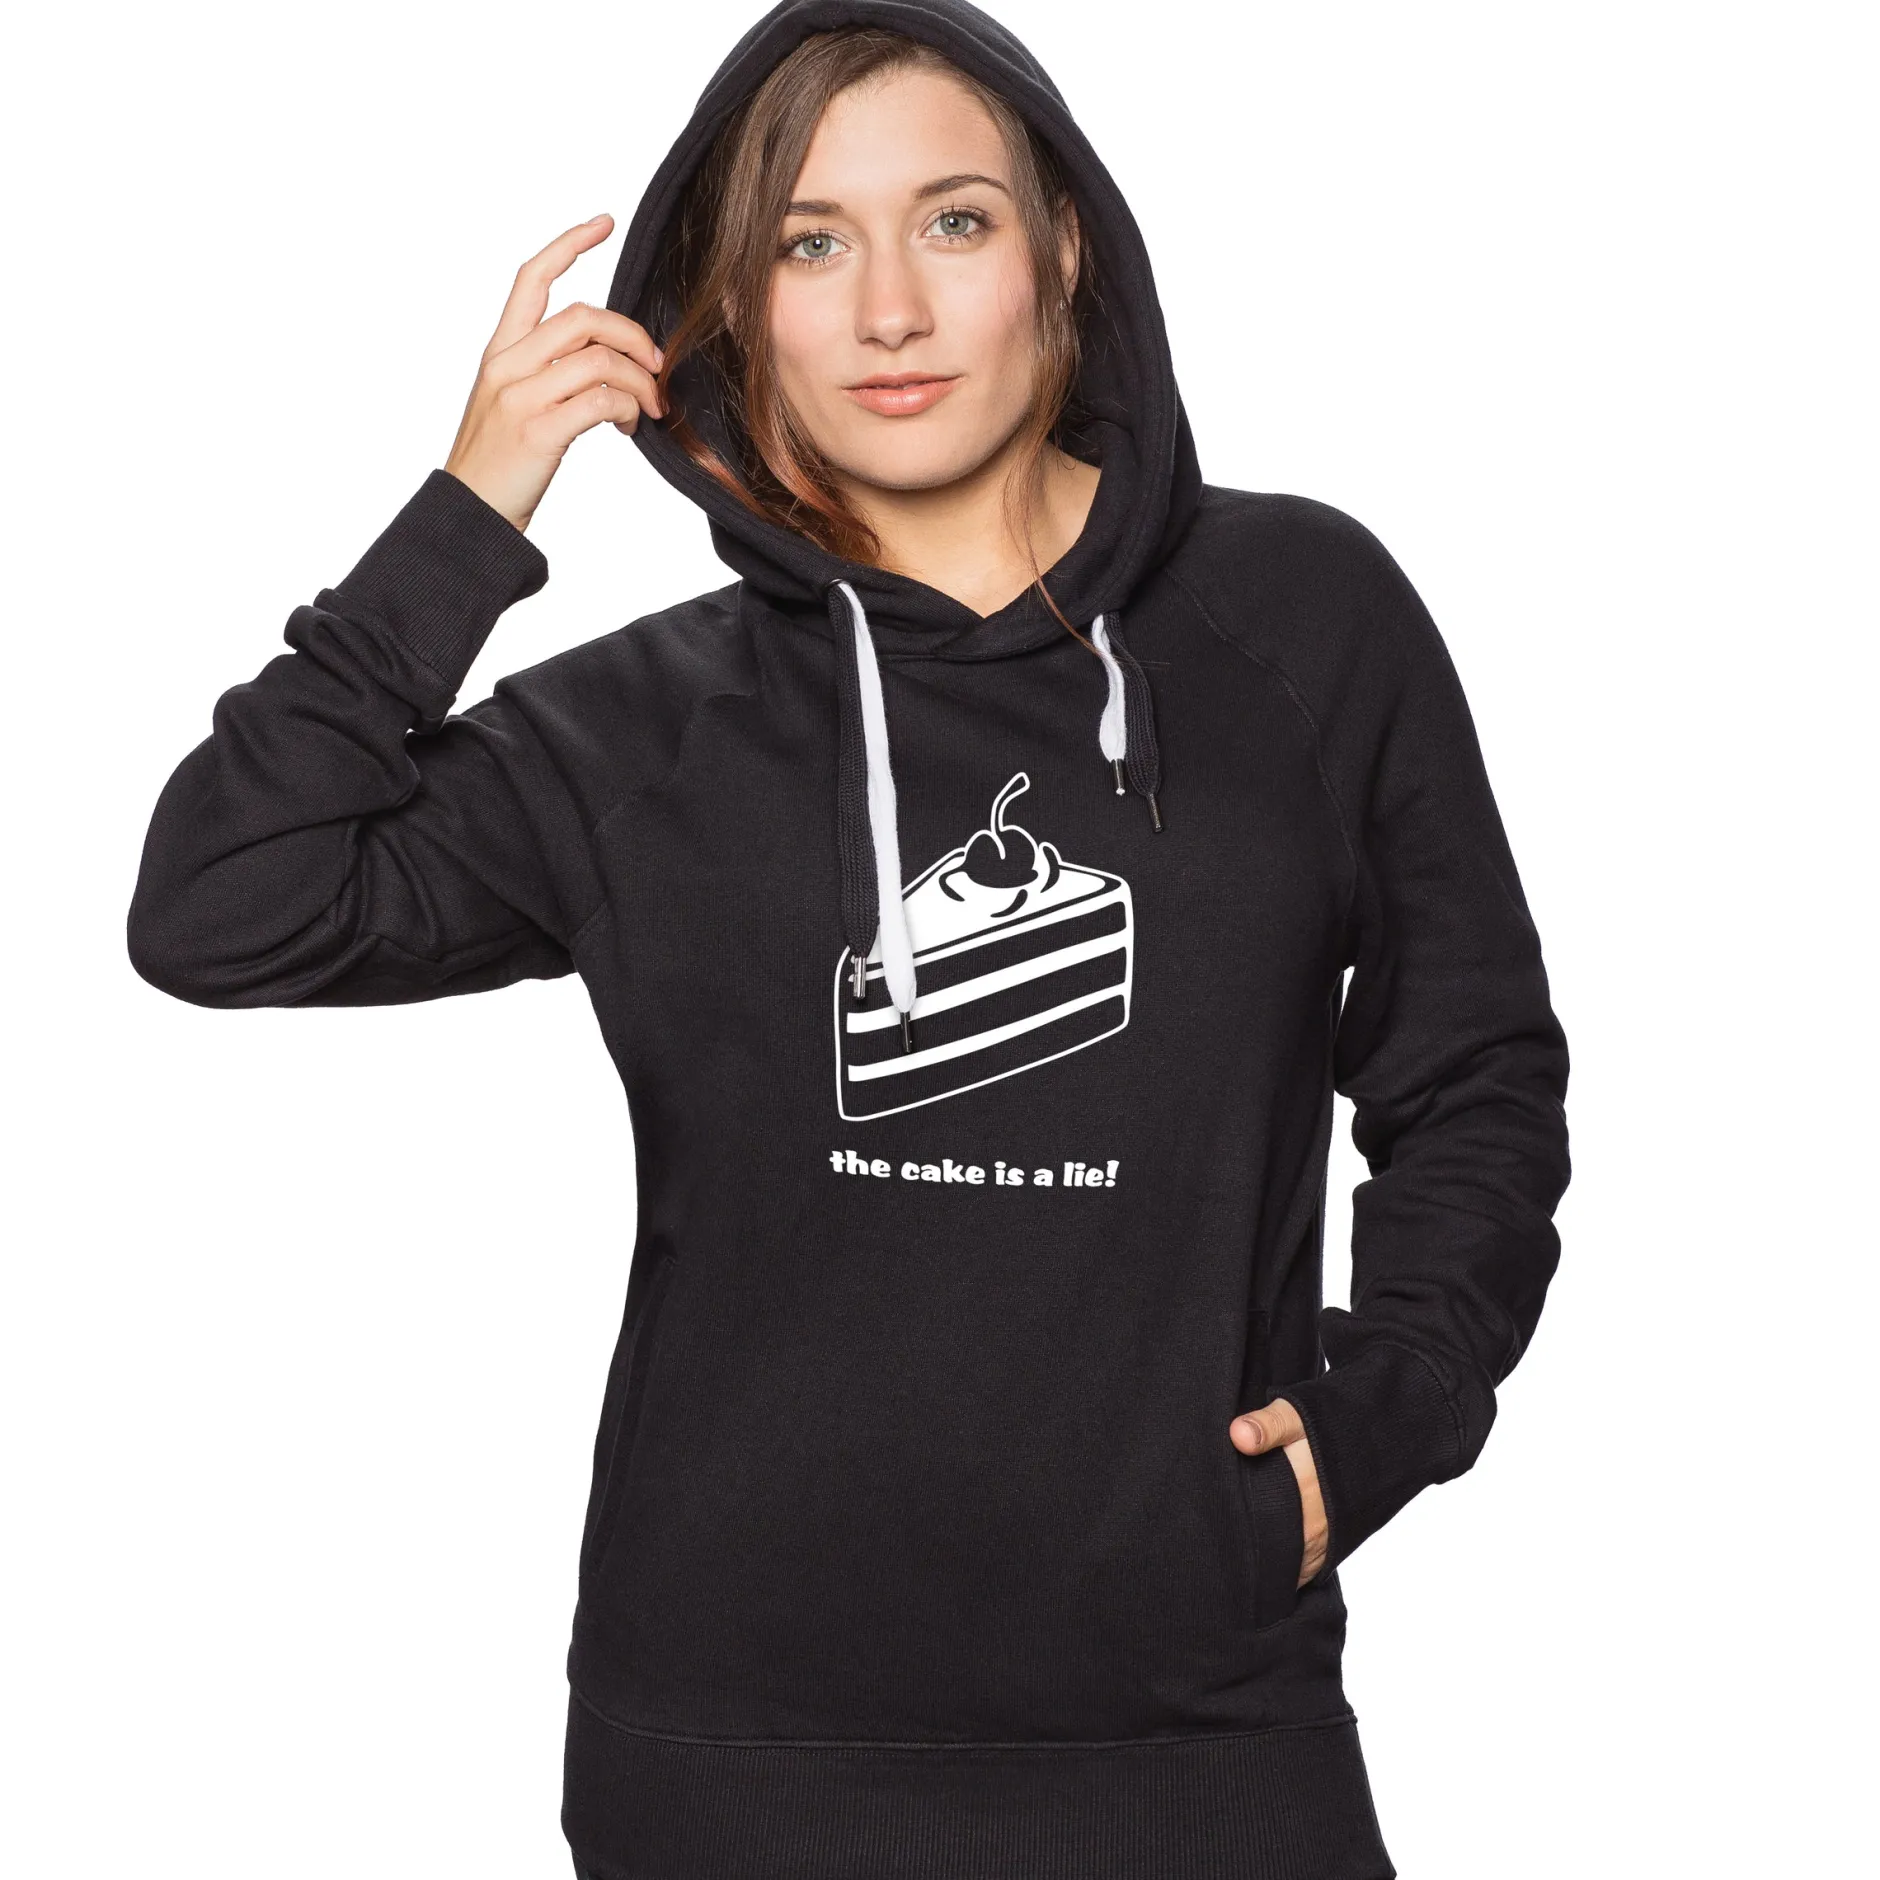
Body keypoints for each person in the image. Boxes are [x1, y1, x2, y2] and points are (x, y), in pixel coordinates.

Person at [127, 1, 1571, 1875]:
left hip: (1206, 1732)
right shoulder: (646, 733)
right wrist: (468, 517)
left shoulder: (1303, 620)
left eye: (954, 222)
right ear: (733, 310)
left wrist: (1392, 1410)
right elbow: (222, 904)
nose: (891, 308)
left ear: (1064, 251)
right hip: (734, 1766)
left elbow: (1475, 1070)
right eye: (812, 244)